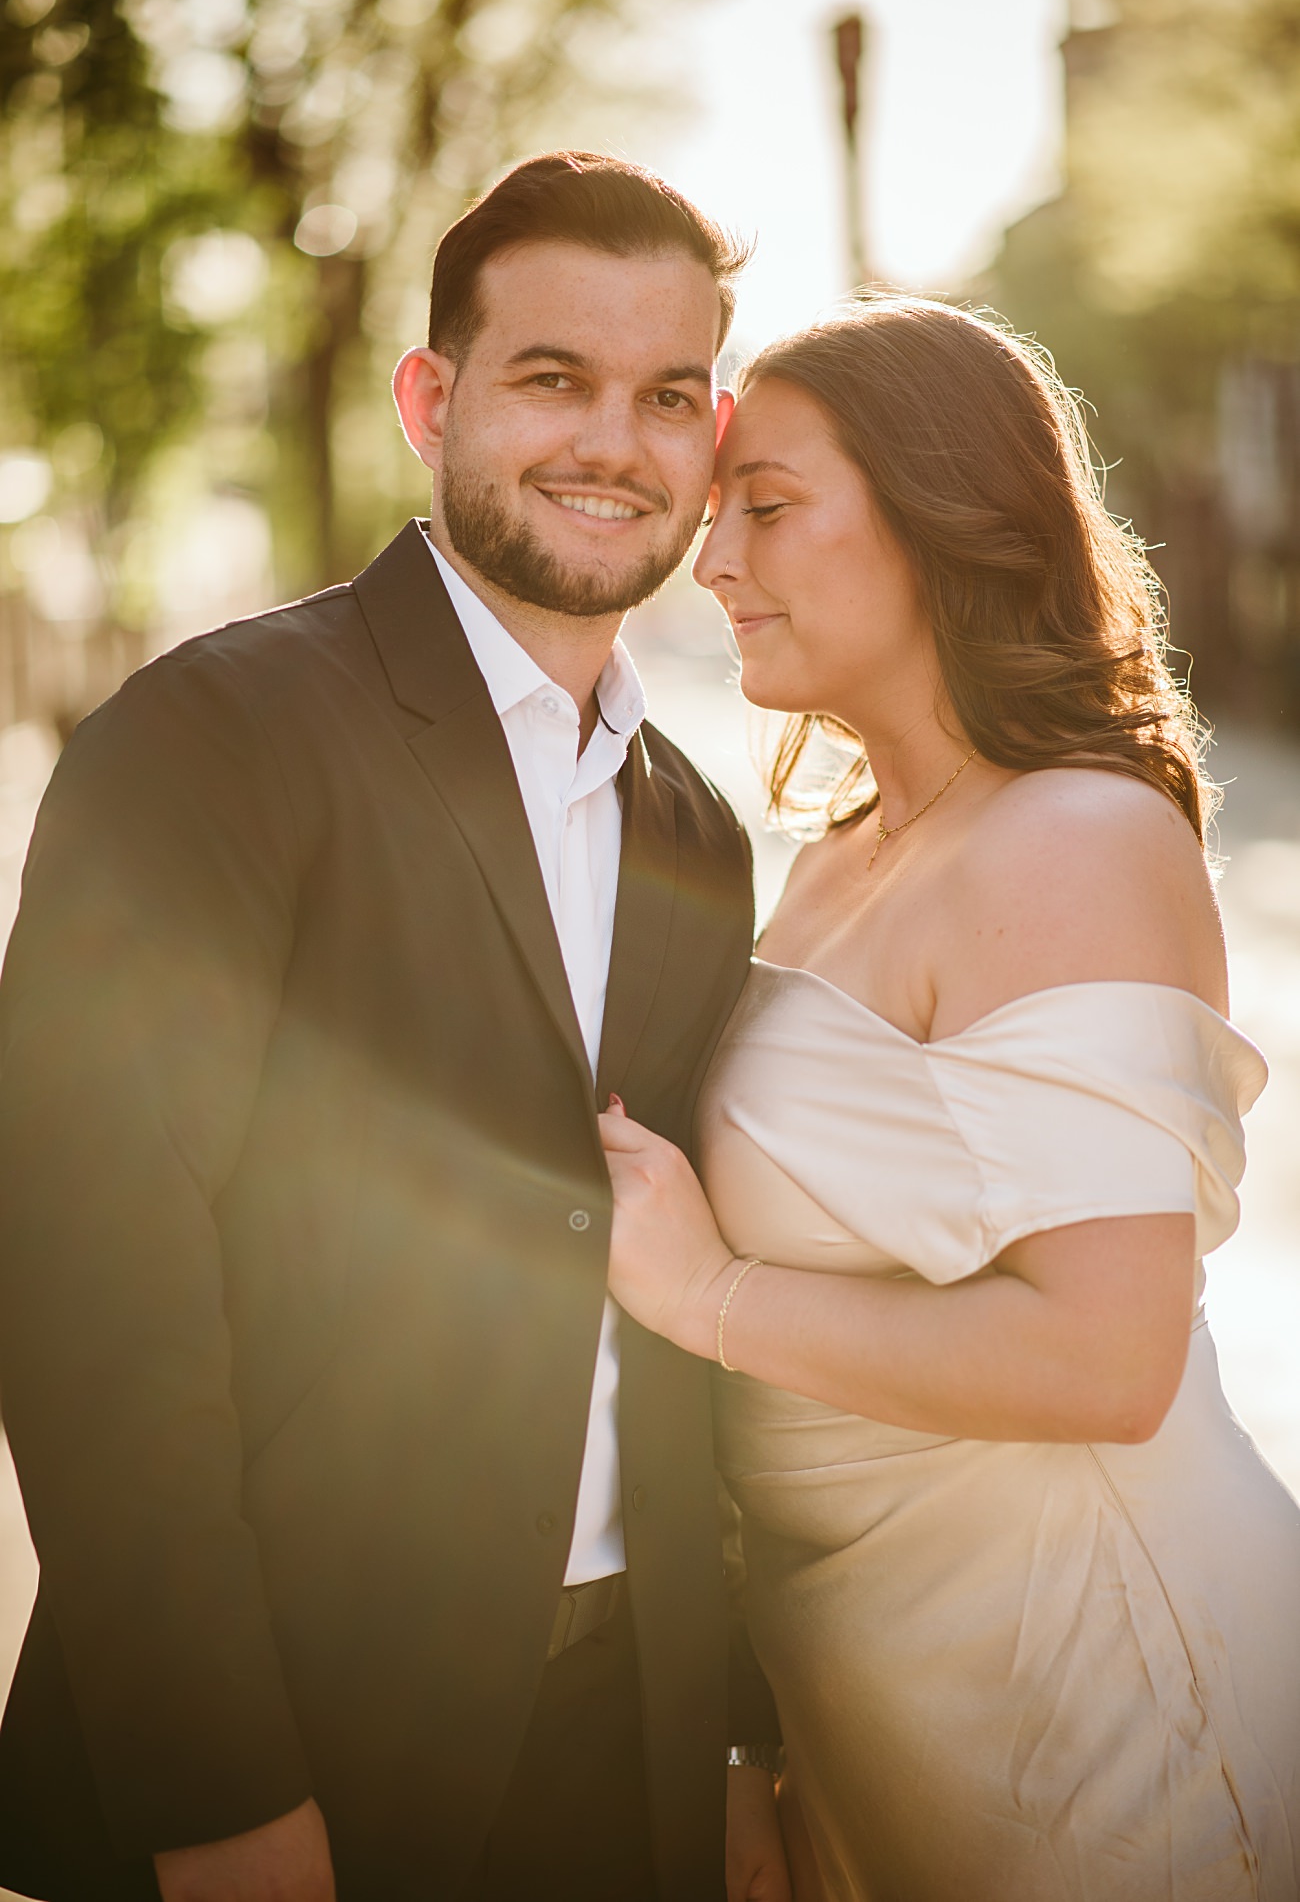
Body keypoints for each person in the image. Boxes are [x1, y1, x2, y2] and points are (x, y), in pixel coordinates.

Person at [0, 153, 791, 1902]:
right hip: (303, 1759)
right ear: (431, 399)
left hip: (631, 1759)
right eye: (551, 378)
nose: (615, 441)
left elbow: (672, 1339)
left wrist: (728, 1734)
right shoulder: (208, 743)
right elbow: (91, 1305)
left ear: (715, 434)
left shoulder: (695, 834)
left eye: (667, 396)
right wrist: (219, 1802)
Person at [598, 296, 1300, 1901]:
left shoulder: (1073, 840)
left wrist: (710, 1292)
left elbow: (1104, 1355)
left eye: (766, 508)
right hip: (890, 1719)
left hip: (1112, 1708)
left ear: (941, 517)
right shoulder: (845, 850)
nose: (713, 566)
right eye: (715, 520)